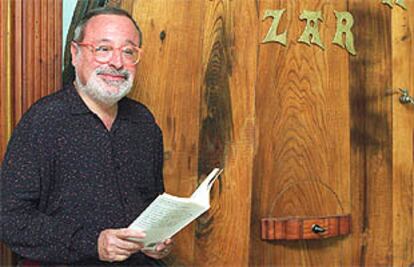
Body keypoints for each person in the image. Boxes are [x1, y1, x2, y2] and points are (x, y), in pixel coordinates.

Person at [0, 7, 172, 266]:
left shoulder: (144, 123)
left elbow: (151, 205)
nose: (117, 62)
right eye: (103, 49)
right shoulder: (44, 121)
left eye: (128, 51)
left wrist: (156, 241)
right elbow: (9, 218)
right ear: (75, 54)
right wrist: (93, 243)